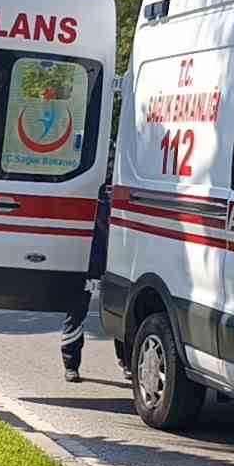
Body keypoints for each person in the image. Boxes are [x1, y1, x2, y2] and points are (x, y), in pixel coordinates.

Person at [63, 151, 131, 383]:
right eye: (108, 160)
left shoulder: (123, 193)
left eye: (112, 160)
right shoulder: (84, 190)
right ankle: (71, 364)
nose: (110, 166)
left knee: (121, 313)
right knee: (76, 311)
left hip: (116, 261)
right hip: (88, 260)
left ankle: (127, 363)